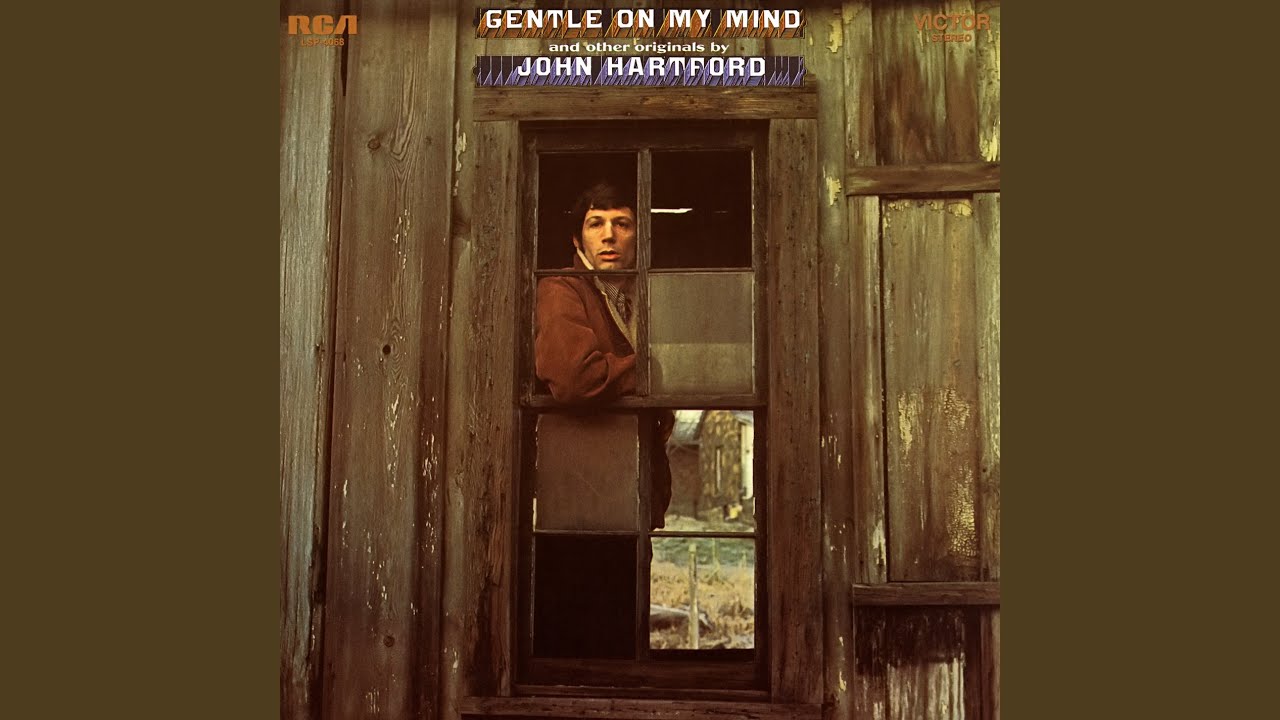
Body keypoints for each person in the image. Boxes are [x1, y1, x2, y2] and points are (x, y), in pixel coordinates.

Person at [534, 182, 674, 530]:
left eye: (622, 224)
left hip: (634, 491)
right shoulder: (560, 288)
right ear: (577, 240)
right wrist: (653, 370)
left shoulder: (648, 301)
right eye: (595, 223)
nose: (609, 235)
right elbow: (574, 378)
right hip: (579, 491)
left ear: (639, 237)